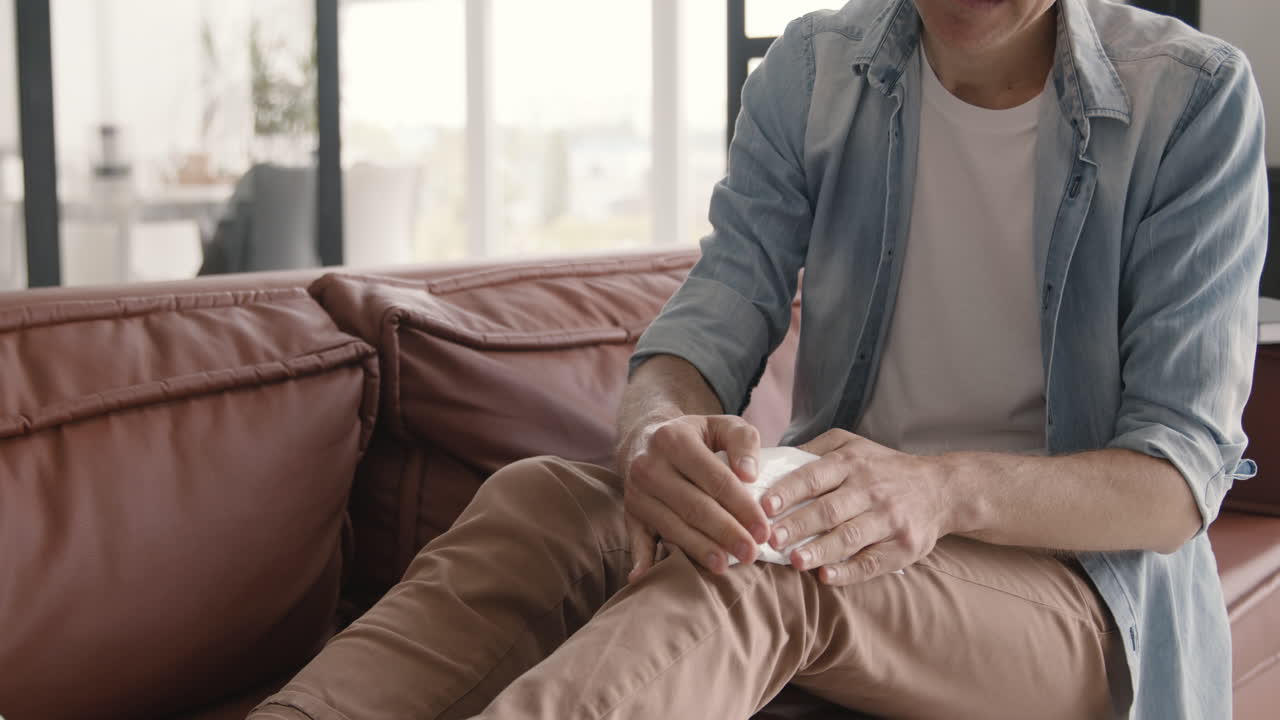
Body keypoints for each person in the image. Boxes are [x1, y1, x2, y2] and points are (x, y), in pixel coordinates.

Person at [249, 0, 1268, 718]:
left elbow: (1172, 482)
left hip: (1078, 603)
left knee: (765, 572)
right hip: (847, 527)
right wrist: (656, 433)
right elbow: (708, 319)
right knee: (545, 502)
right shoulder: (812, 74)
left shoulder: (1190, 101)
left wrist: (939, 491)